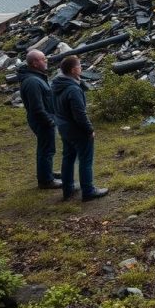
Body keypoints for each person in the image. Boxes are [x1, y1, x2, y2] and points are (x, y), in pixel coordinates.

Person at [52, 55, 108, 202]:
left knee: (68, 158)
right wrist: (89, 130)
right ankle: (88, 190)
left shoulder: (57, 84)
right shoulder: (73, 89)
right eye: (79, 66)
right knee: (85, 160)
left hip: (64, 128)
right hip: (77, 130)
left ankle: (68, 188)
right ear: (73, 69)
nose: (81, 68)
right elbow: (79, 114)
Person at [18, 50, 61, 189]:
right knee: (46, 150)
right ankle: (46, 181)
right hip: (42, 120)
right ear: (35, 63)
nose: (46, 61)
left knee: (47, 148)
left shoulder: (37, 77)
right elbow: (37, 107)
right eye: (43, 59)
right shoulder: (32, 81)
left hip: (44, 119)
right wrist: (49, 121)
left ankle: (47, 173)